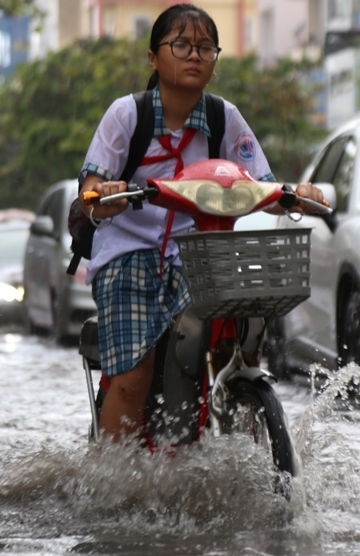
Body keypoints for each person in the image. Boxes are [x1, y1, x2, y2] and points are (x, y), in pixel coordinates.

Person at [79, 3, 325, 446]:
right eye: (181, 44)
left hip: (196, 256)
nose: (194, 54)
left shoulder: (223, 117)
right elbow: (92, 186)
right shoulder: (126, 115)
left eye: (206, 47)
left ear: (215, 62)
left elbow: (261, 185)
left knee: (235, 322)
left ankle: (235, 396)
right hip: (127, 257)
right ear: (154, 58)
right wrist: (103, 194)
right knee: (134, 378)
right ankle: (113, 484)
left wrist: (296, 194)